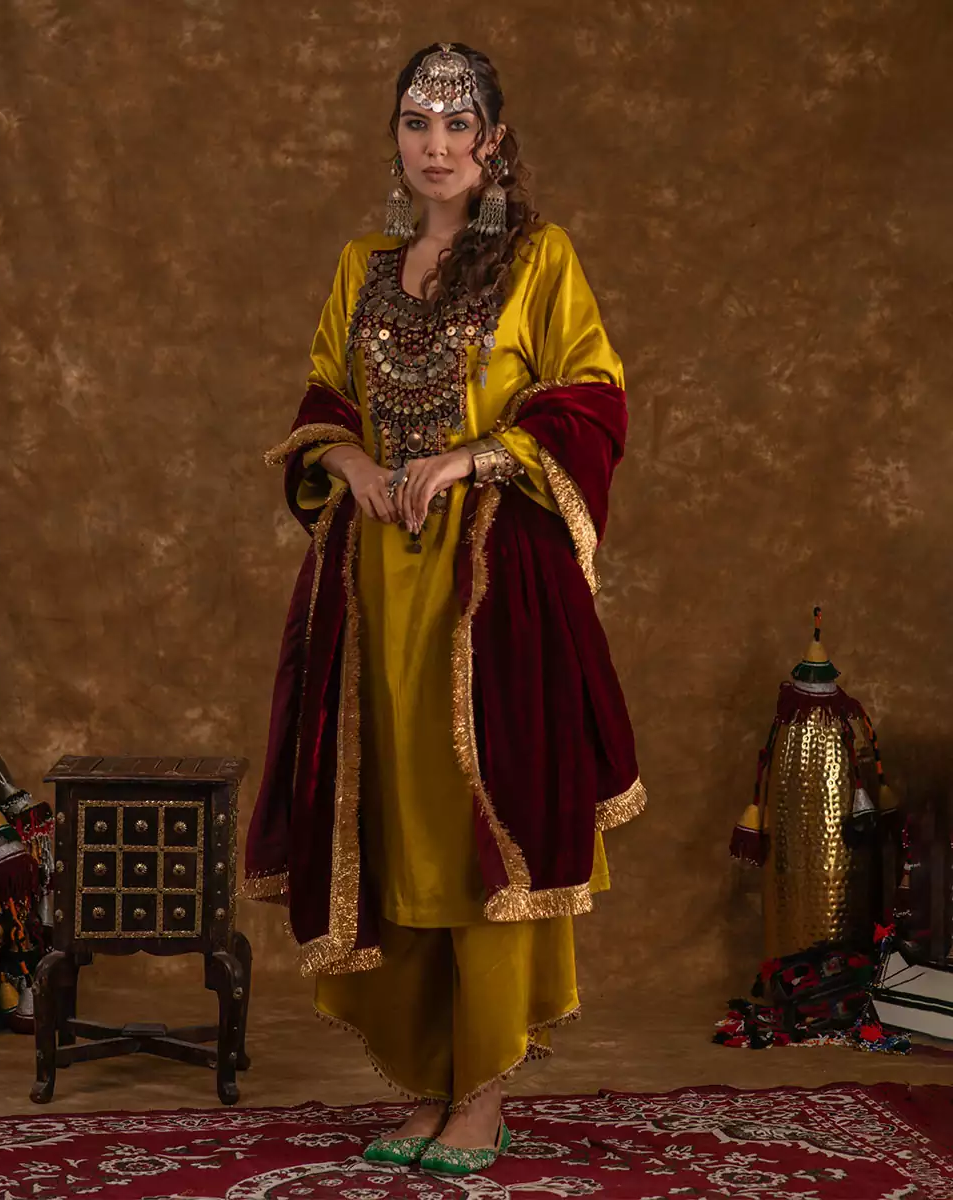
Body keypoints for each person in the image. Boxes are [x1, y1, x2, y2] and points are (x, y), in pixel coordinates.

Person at [242, 41, 644, 1177]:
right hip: (373, 587)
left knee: (484, 830)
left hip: (490, 592)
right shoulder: (361, 267)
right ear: (396, 140)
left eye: (457, 125)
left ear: (493, 142)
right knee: (398, 825)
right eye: (416, 124)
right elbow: (325, 393)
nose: (435, 147)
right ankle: (429, 1079)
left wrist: (475, 456)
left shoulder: (538, 259)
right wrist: (346, 460)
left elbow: (592, 396)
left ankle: (483, 1094)